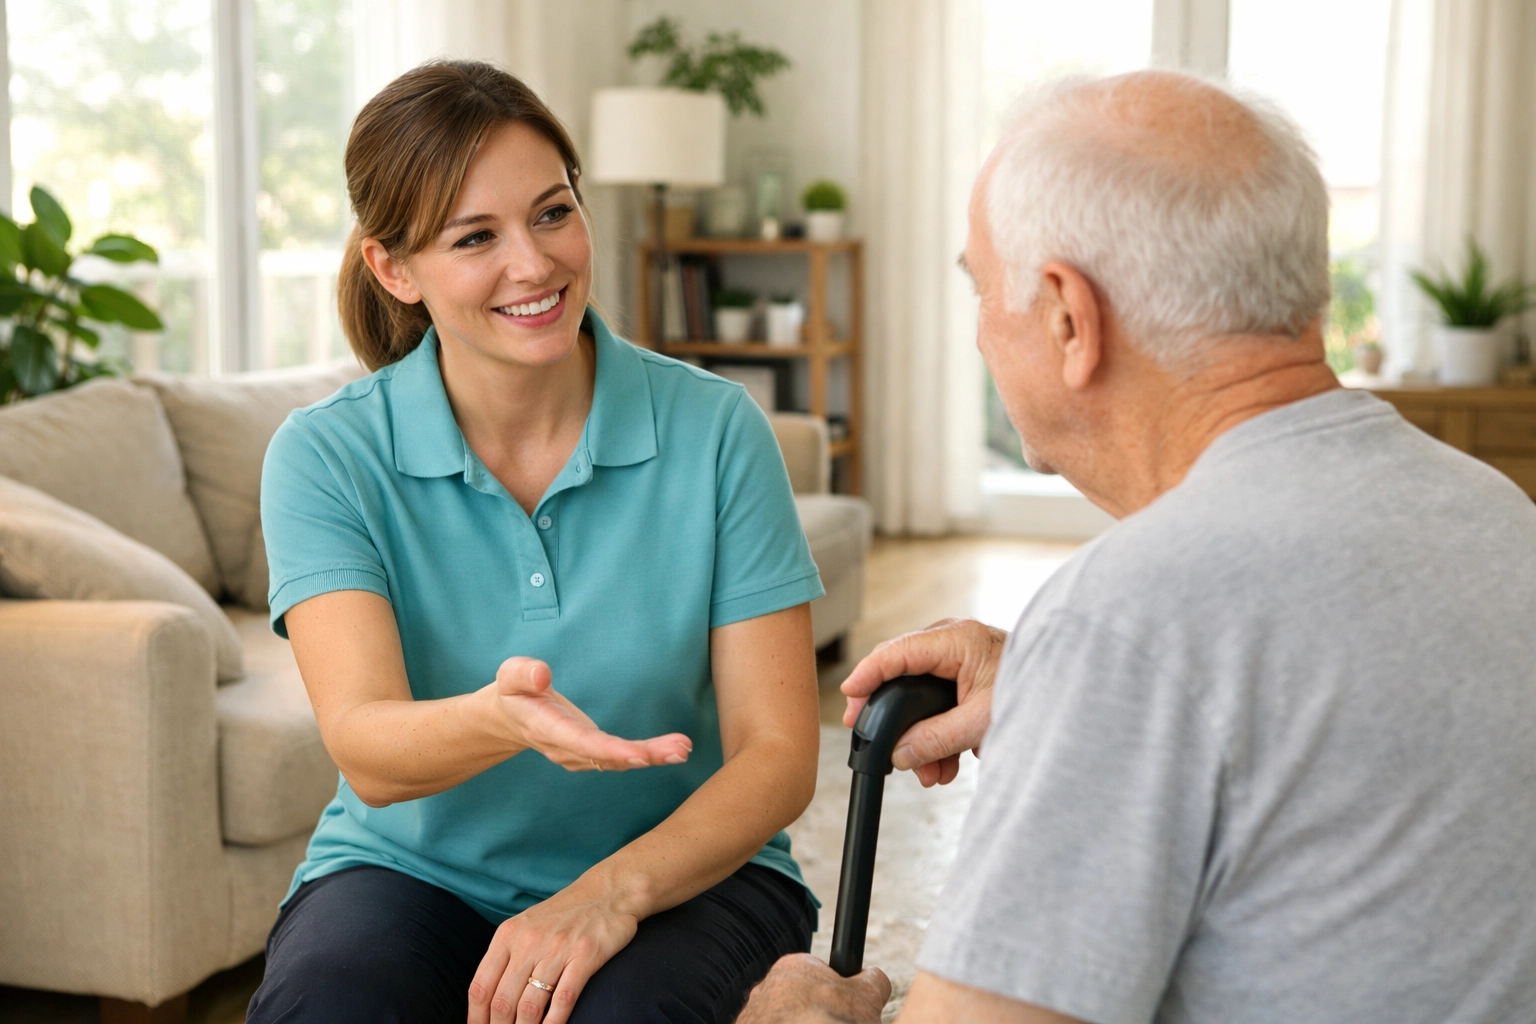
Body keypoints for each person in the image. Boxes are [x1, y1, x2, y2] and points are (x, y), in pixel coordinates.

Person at [740, 69, 1536, 1023]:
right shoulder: (1495, 513)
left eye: (983, 290)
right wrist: (1060, 685)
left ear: (1069, 319)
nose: (982, 336)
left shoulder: (1131, 617)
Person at [246, 61, 825, 1024]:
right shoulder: (327, 455)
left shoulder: (716, 430)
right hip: (413, 870)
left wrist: (608, 895)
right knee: (327, 1002)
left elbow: (778, 755)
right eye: (475, 237)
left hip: (690, 871)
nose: (534, 263)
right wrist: (504, 720)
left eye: (553, 213)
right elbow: (368, 750)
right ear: (394, 269)